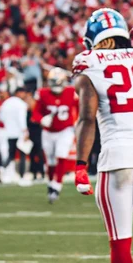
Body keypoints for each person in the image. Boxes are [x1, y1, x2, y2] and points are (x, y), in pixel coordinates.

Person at [73, 8, 133, 263]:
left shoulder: (90, 62)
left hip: (118, 157)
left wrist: (79, 164)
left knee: (121, 241)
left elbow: (87, 118)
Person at [35, 67, 78, 203]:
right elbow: (36, 112)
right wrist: (41, 119)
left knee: (61, 155)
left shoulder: (71, 92)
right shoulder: (42, 93)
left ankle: (57, 185)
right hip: (48, 132)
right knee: (51, 160)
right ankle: (51, 183)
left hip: (65, 129)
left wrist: (78, 121)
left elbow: (81, 106)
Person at [0, 87, 30, 183]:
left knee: (11, 155)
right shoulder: (21, 104)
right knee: (22, 155)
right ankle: (22, 176)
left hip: (9, 132)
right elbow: (21, 119)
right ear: (19, 93)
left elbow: (2, 118)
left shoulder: (6, 103)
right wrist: (25, 131)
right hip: (20, 132)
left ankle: (2, 168)